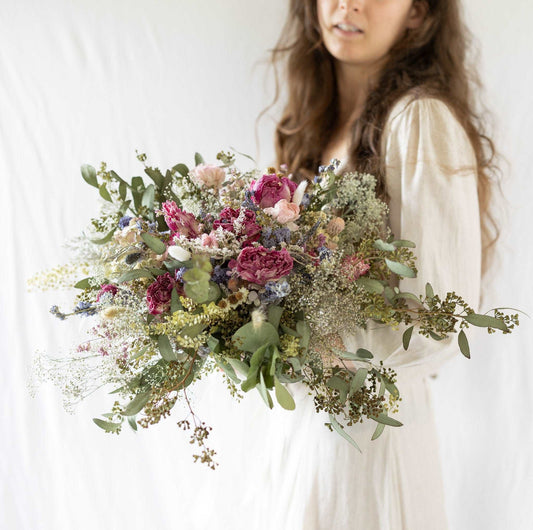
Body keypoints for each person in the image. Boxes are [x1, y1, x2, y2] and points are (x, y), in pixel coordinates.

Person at [241, 0, 501, 528]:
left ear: (418, 12)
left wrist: (309, 345)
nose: (348, 4)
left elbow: (440, 315)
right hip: (305, 428)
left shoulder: (419, 120)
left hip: (370, 433)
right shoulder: (312, 122)